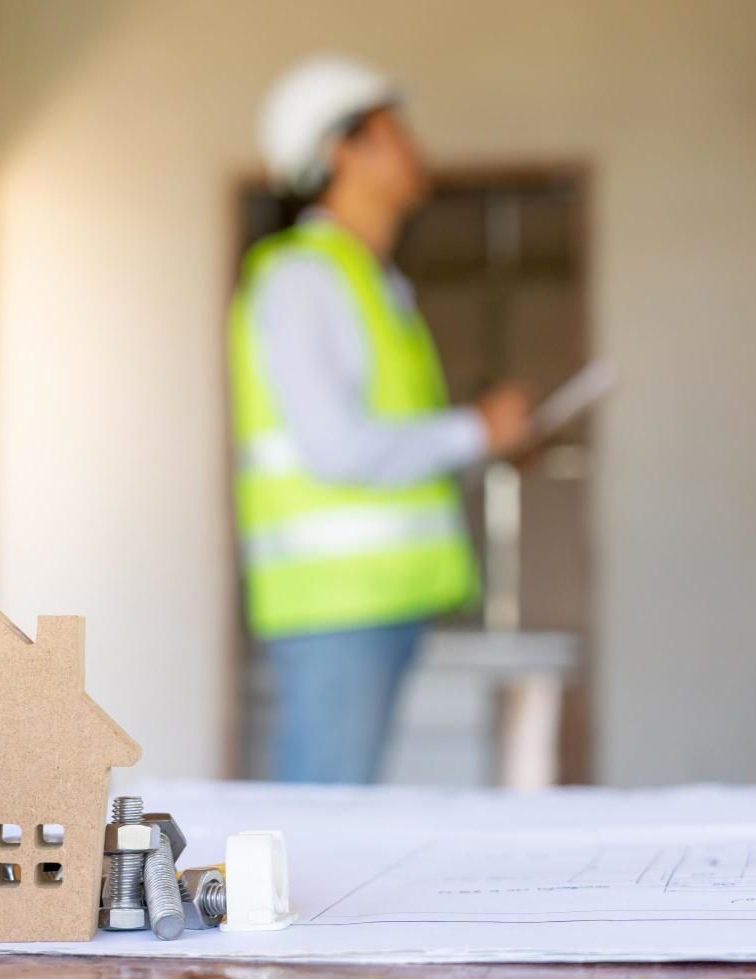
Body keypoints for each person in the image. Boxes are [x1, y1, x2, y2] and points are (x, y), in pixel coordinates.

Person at [230, 54, 532, 783]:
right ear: (341, 150)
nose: (414, 150)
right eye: (394, 132)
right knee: (319, 836)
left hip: (377, 600)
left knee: (338, 826)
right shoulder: (302, 278)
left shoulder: (370, 280)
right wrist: (474, 432)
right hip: (336, 606)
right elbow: (334, 448)